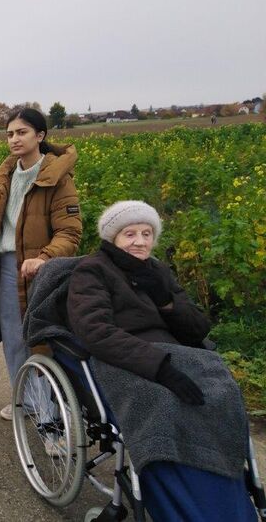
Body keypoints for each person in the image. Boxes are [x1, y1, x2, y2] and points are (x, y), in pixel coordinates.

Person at [67, 200, 256, 521]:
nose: (140, 242)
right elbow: (95, 332)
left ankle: (228, 502)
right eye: (130, 234)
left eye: (146, 234)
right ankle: (182, 507)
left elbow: (198, 330)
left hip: (177, 354)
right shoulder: (92, 270)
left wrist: (167, 301)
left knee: (222, 395)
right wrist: (160, 367)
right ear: (113, 237)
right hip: (123, 358)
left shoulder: (158, 271)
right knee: (164, 406)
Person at [0, 107, 82, 420]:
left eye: (22, 132)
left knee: (41, 342)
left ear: (40, 136)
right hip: (6, 268)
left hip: (42, 272)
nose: (14, 139)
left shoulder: (58, 179)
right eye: (10, 134)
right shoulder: (7, 176)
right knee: (13, 339)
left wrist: (44, 257)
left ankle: (51, 417)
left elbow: (70, 233)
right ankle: (26, 400)